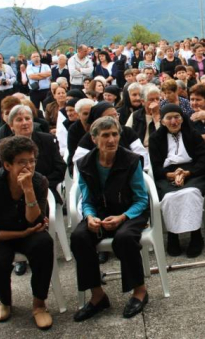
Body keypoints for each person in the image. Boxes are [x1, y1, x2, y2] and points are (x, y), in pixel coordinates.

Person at [70, 117, 150, 321]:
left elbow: (142, 199)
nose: (112, 139)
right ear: (94, 139)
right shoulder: (84, 164)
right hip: (100, 213)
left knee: (124, 238)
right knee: (79, 236)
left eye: (115, 134)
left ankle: (139, 291)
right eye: (106, 135)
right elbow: (86, 199)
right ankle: (98, 296)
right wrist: (89, 216)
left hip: (130, 212)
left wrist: (123, 217)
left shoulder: (131, 160)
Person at [0, 136, 54, 329]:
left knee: (43, 244)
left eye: (32, 161)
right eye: (22, 162)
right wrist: (23, 234)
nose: (29, 166)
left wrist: (28, 190)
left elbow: (35, 220)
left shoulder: (39, 181)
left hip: (26, 227)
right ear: (8, 165)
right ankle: (5, 300)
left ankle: (39, 304)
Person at [149, 104, 205, 257]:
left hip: (193, 172)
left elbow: (204, 160)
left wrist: (187, 173)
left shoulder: (193, 134)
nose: (174, 121)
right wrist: (171, 175)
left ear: (182, 119)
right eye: (169, 118)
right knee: (170, 197)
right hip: (166, 173)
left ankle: (196, 236)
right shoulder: (155, 139)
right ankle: (172, 236)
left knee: (190, 193)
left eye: (177, 117)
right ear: (162, 121)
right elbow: (155, 166)